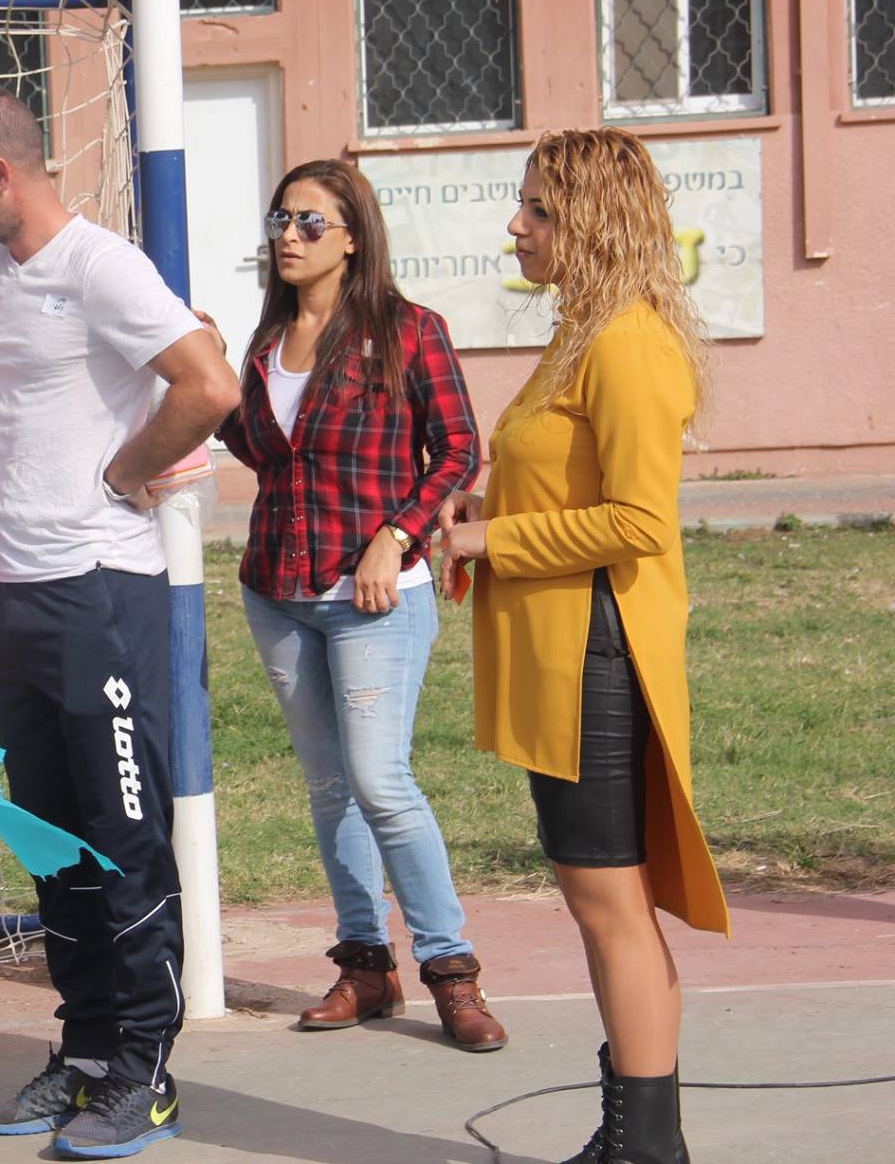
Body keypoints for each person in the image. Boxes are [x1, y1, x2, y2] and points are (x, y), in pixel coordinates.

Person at [0, 81, 240, 1160]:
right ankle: (87, 1052)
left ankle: (145, 1070)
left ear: (0, 173)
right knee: (52, 837)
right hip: (17, 591)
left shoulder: (103, 267)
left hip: (102, 590)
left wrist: (122, 474)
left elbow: (207, 385)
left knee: (122, 832)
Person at [439, 128, 729, 1164]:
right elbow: (568, 484)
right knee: (600, 899)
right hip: (563, 654)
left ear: (595, 222)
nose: (516, 226)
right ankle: (638, 1138)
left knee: (610, 903)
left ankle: (645, 1146)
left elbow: (638, 521)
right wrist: (489, 509)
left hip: (597, 658)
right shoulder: (584, 332)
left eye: (540, 209)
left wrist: (490, 539)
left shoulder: (628, 344)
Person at [213, 159, 506, 1050]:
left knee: (380, 780)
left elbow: (458, 449)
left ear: (351, 237)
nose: (289, 236)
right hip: (279, 592)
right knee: (330, 785)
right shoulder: (269, 339)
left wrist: (399, 534)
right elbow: (266, 453)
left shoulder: (409, 330)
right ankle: (365, 965)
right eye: (280, 219)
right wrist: (212, 378)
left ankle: (450, 968)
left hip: (376, 594)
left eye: (310, 221)